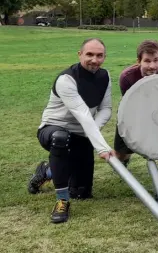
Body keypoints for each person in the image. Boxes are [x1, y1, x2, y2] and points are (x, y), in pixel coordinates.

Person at [30, 38, 116, 223]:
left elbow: (106, 109)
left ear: (104, 57)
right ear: (80, 55)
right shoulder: (66, 79)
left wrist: (90, 135)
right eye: (89, 54)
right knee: (61, 138)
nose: (94, 60)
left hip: (81, 134)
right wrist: (101, 147)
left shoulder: (105, 76)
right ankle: (62, 201)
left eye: (99, 55)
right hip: (53, 130)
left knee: (81, 193)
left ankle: (47, 172)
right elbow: (83, 114)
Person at [114, 40, 158, 194]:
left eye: (156, 60)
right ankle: (125, 159)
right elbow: (131, 107)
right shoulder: (126, 77)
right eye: (147, 61)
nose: (152, 66)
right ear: (138, 61)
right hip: (131, 116)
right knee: (120, 156)